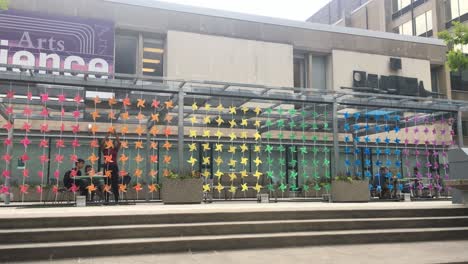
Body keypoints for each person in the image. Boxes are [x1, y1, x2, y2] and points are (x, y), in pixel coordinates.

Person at [101, 130, 121, 204]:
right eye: (108, 143)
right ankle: (106, 199)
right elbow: (102, 143)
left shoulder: (115, 149)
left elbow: (119, 143)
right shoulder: (105, 150)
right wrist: (107, 134)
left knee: (115, 183)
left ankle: (116, 199)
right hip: (107, 167)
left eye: (111, 143)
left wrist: (115, 134)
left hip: (114, 167)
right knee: (107, 183)